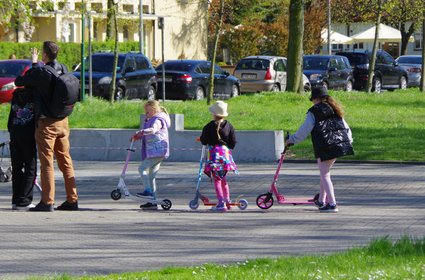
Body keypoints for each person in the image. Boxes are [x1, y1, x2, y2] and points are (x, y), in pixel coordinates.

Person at [14, 41, 78, 212]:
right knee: (65, 160)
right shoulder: (64, 68)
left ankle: (47, 201)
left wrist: (34, 63)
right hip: (63, 121)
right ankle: (72, 200)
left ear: (44, 55)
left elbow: (20, 81)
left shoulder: (41, 71)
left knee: (47, 162)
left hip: (47, 123)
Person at [285, 87, 353, 213]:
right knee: (324, 172)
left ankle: (332, 204)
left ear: (316, 99)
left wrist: (291, 140)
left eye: (312, 100)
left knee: (325, 174)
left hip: (326, 146)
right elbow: (346, 127)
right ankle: (322, 200)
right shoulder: (335, 109)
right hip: (340, 144)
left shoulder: (314, 112)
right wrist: (349, 141)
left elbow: (304, 130)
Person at [131, 100, 171, 210]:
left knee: (141, 168)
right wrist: (139, 136)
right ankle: (152, 201)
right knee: (151, 176)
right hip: (156, 151)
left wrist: (141, 132)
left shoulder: (157, 120)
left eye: (147, 112)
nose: (145, 114)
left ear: (153, 110)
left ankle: (148, 192)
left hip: (157, 151)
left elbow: (153, 130)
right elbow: (148, 134)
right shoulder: (150, 119)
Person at [200, 101, 237, 211]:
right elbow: (233, 141)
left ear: (213, 114)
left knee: (217, 180)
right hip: (225, 155)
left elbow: (204, 140)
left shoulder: (209, 126)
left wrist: (204, 141)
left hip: (214, 154)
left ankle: (221, 203)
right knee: (223, 179)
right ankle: (227, 201)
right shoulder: (229, 125)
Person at [7, 87, 37, 210]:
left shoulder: (16, 95)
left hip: (15, 133)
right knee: (31, 168)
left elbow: (11, 116)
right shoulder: (36, 95)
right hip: (28, 135)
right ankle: (24, 200)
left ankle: (16, 200)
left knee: (17, 168)